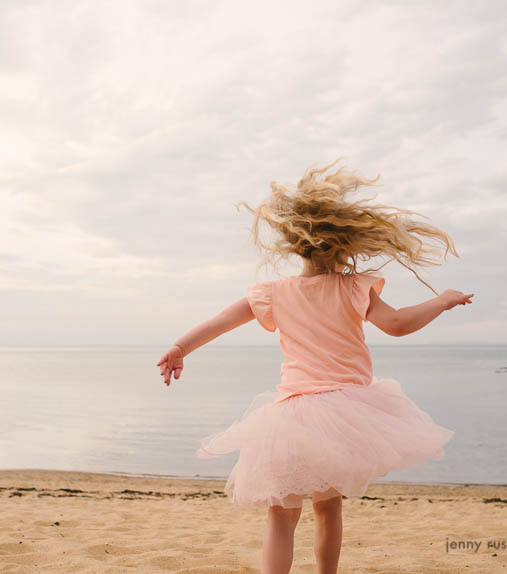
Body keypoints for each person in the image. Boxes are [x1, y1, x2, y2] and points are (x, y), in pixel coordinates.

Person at [156, 158, 473, 574]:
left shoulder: (274, 293)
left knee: (282, 516)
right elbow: (397, 326)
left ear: (297, 245)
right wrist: (442, 300)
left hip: (290, 416)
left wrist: (181, 347)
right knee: (327, 508)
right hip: (343, 414)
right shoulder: (353, 287)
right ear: (346, 245)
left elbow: (221, 322)